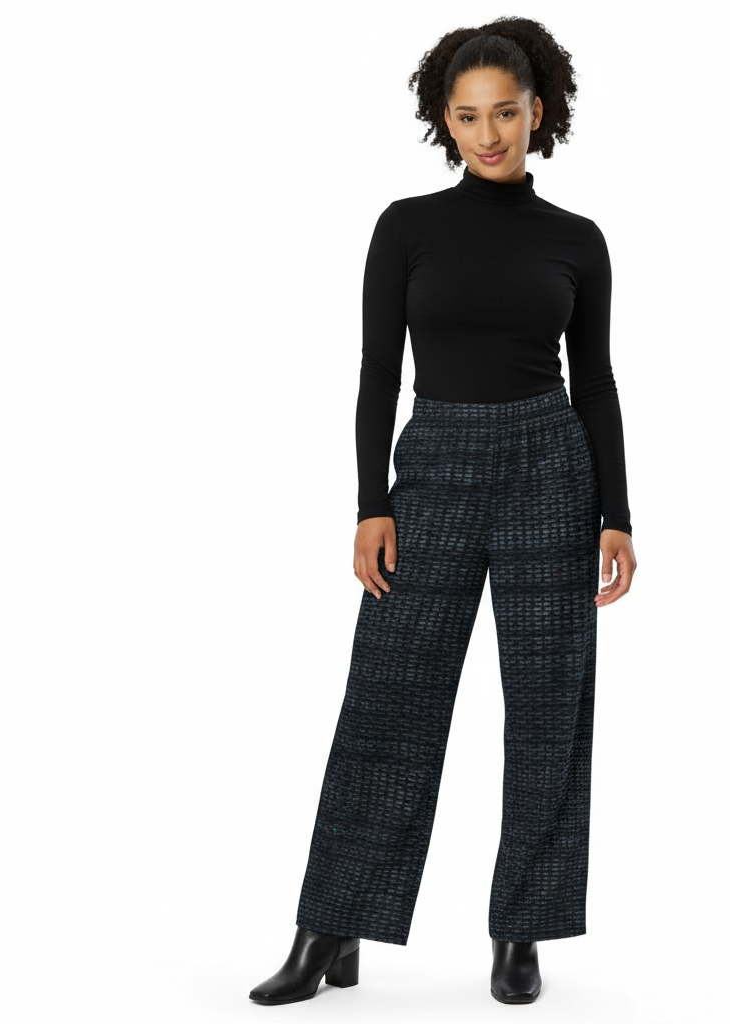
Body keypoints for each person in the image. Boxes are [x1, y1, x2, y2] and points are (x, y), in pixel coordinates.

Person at [249, 16, 637, 1007]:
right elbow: (378, 371)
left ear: (537, 112)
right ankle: (330, 926)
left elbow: (594, 381)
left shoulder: (578, 241)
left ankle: (521, 932)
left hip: (550, 463)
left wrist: (618, 513)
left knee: (549, 707)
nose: (488, 134)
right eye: (468, 117)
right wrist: (369, 503)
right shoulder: (406, 227)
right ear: (445, 120)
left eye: (505, 113)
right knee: (389, 697)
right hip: (435, 463)